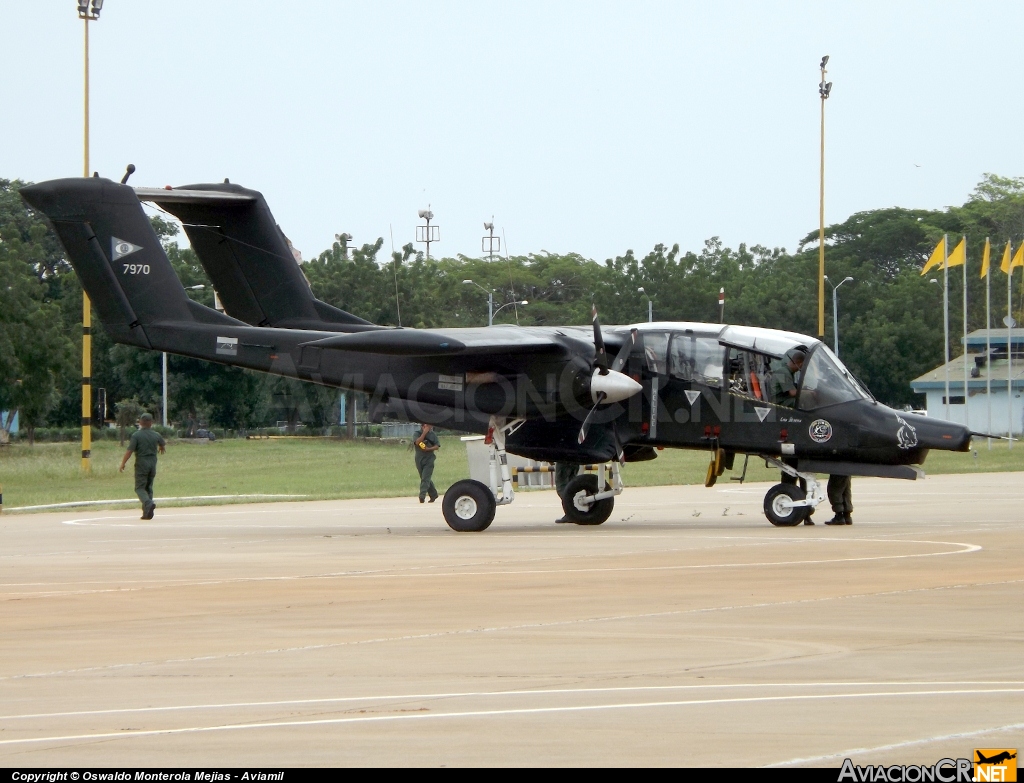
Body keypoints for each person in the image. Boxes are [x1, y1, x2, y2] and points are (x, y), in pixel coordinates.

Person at [119, 412, 166, 520]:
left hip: (142, 463)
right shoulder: (156, 434)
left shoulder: (136, 435)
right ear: (151, 423)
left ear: (140, 422)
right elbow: (162, 443)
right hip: (152, 463)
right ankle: (147, 513)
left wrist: (123, 463)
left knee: (139, 488)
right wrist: (161, 447)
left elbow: (129, 451)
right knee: (148, 487)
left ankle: (148, 503)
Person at [413, 423, 440, 503]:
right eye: (427, 426)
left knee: (425, 478)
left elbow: (437, 446)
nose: (429, 427)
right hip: (419, 459)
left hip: (429, 459)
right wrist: (424, 433)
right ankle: (434, 494)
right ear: (422, 426)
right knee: (424, 478)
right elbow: (417, 442)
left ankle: (422, 496)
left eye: (430, 426)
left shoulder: (433, 434)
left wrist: (429, 449)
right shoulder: (417, 433)